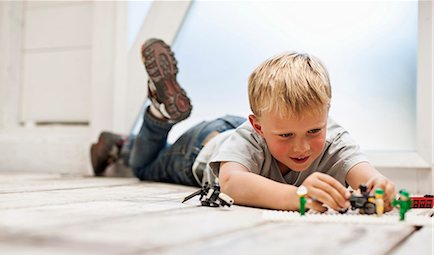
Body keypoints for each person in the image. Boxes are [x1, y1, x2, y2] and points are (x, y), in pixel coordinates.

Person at [90, 38, 396, 213]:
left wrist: (380, 186)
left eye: (314, 131)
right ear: (259, 127)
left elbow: (365, 174)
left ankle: (118, 144)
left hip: (240, 134)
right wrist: (299, 196)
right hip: (202, 147)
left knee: (141, 154)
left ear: (326, 116)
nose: (302, 146)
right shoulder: (251, 136)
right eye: (287, 135)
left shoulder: (334, 138)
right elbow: (233, 183)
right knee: (145, 168)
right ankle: (159, 113)